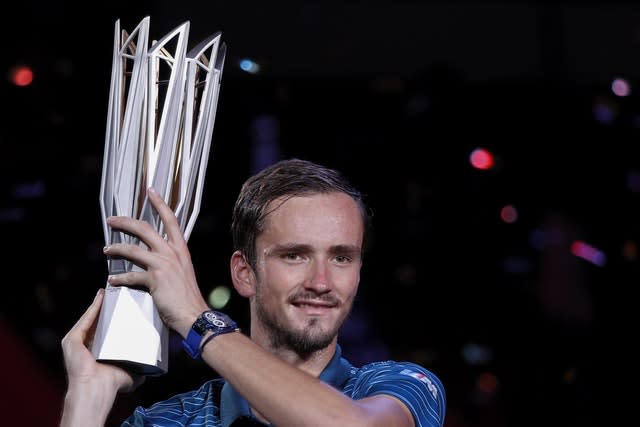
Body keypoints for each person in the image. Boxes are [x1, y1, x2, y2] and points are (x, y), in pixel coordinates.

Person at [60, 158, 446, 426]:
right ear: (244, 274)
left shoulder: (400, 386)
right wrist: (88, 398)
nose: (322, 282)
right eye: (295, 256)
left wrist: (198, 320)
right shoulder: (172, 421)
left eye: (342, 258)